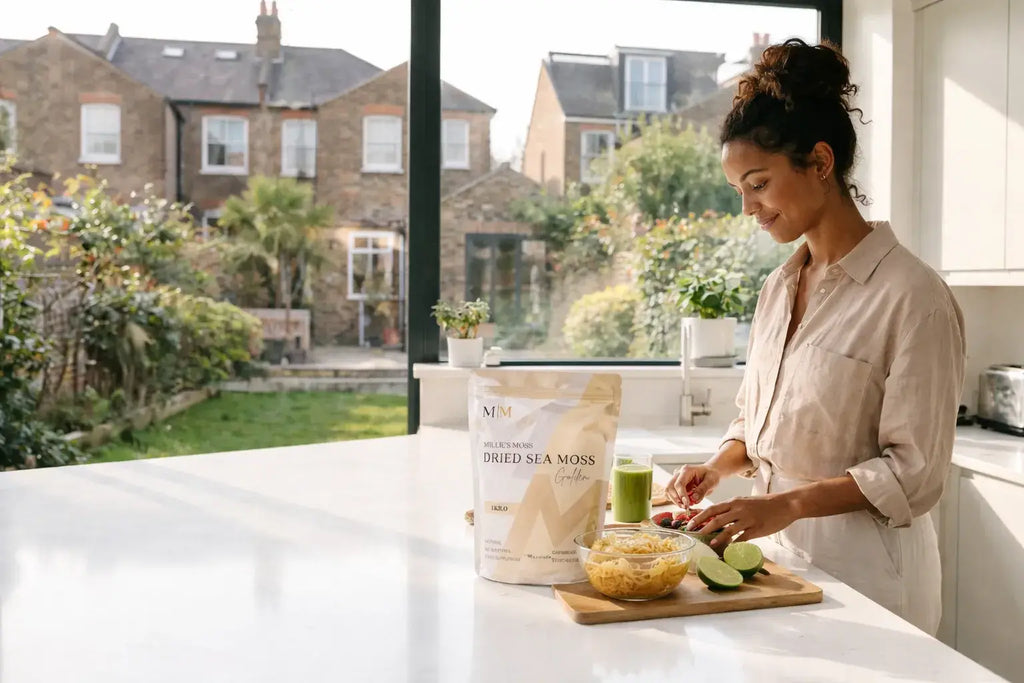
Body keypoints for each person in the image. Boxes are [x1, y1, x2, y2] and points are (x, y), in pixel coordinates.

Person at [665, 38, 966, 635]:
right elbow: (759, 419)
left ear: (820, 163)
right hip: (777, 565)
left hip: (873, 582)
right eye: (739, 192)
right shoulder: (778, 289)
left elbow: (915, 472)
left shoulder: (913, 297)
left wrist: (786, 505)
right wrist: (722, 464)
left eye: (758, 184)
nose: (748, 208)